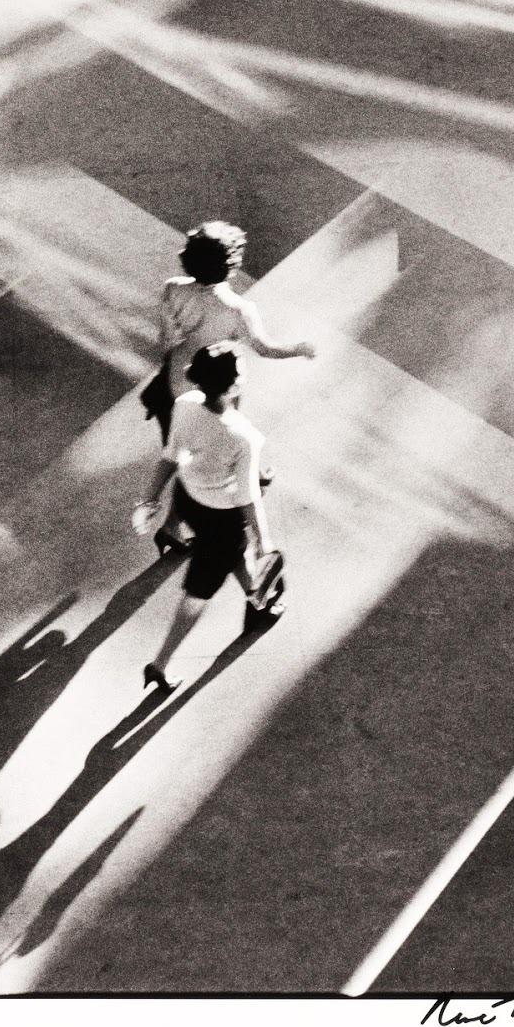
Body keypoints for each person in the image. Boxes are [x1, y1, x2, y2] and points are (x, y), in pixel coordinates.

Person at [141, 221, 314, 552]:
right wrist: (298, 349)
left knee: (182, 446)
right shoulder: (239, 310)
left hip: (178, 380)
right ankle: (175, 524)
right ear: (231, 265)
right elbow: (265, 348)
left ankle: (241, 474)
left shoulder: (172, 289)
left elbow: (165, 340)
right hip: (219, 382)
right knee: (209, 444)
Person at [138, 344, 281, 697]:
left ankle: (258, 602)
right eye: (242, 373)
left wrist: (151, 497)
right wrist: (266, 541)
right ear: (232, 387)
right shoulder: (242, 436)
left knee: (235, 550)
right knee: (197, 595)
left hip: (188, 500)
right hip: (221, 518)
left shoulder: (185, 404)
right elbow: (248, 494)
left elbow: (171, 457)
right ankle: (159, 665)